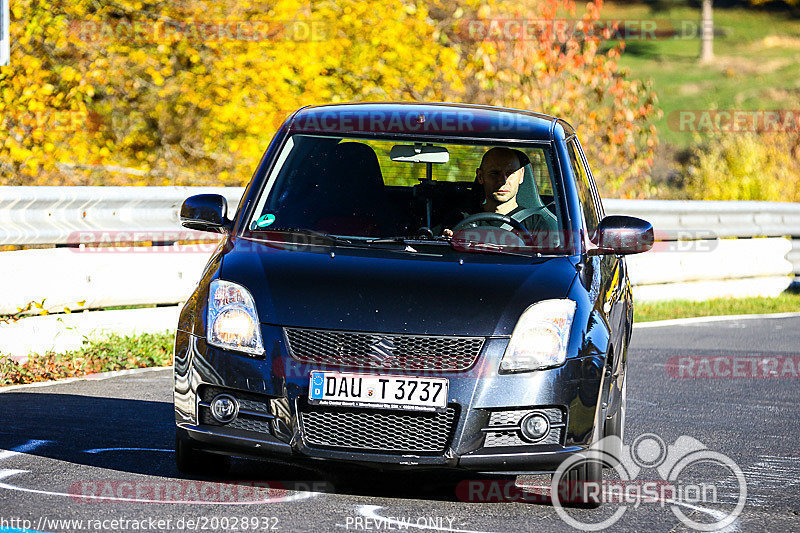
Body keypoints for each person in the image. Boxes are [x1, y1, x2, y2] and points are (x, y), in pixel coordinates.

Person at [441, 147, 553, 240]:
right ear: (480, 176)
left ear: (521, 176)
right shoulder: (460, 220)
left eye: (510, 173)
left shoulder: (536, 225)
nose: (502, 181)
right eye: (494, 173)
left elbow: (543, 264)